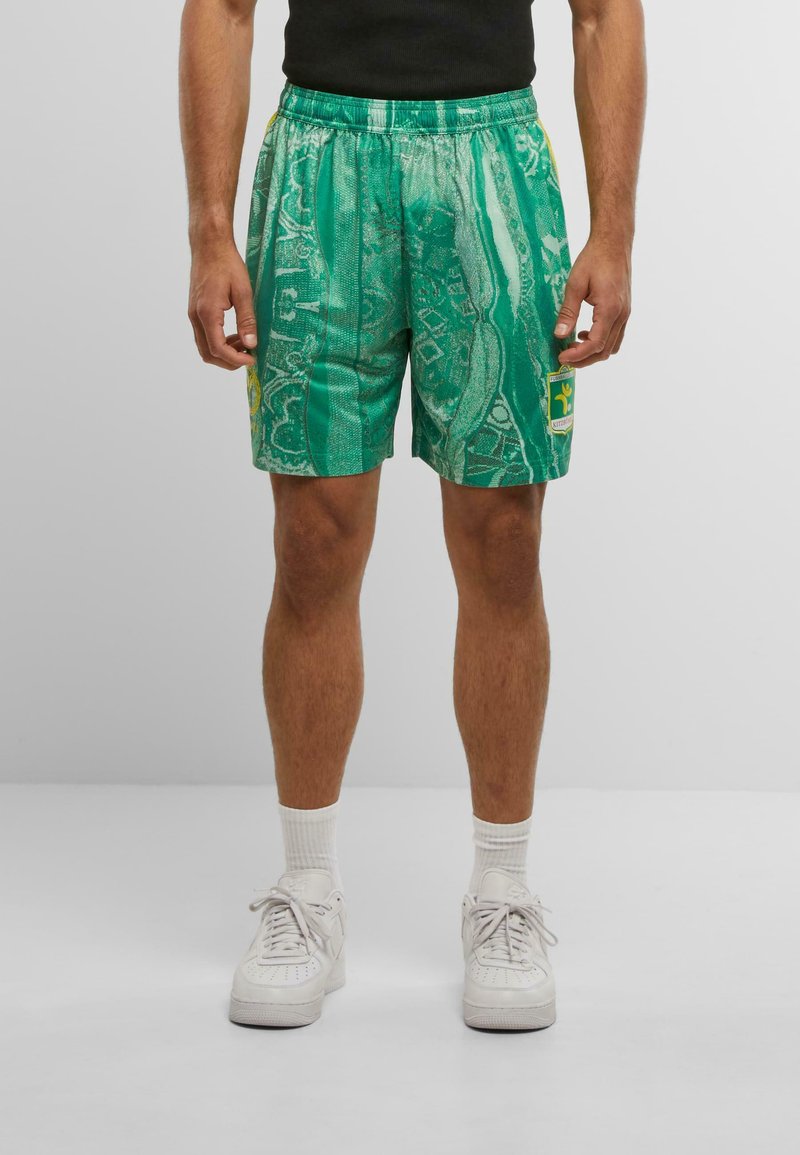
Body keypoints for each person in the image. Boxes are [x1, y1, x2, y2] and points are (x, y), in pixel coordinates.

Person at [179, 0, 646, 1030]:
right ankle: (307, 891)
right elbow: (221, 7)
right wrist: (210, 229)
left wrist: (613, 232)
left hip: (491, 156)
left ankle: (502, 891)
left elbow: (603, 13)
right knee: (311, 541)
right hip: (321, 158)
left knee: (505, 540)